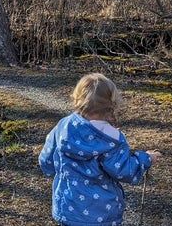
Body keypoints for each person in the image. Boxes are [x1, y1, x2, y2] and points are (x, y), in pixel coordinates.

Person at [38, 73, 161, 226]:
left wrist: (54, 171)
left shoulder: (63, 125)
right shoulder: (111, 138)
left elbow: (46, 159)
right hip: (101, 213)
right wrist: (145, 159)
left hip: (68, 206)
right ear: (111, 105)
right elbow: (124, 170)